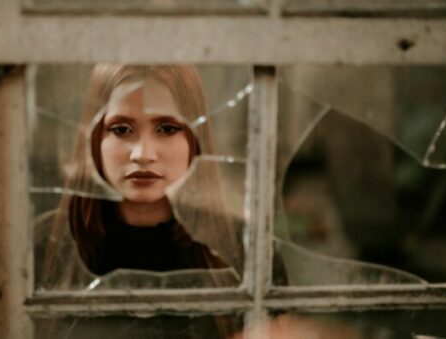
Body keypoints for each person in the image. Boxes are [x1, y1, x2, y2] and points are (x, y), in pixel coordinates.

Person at [33, 64, 283, 338]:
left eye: (166, 128)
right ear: (94, 138)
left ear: (194, 138)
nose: (143, 154)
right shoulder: (44, 246)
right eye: (121, 129)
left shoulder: (248, 250)